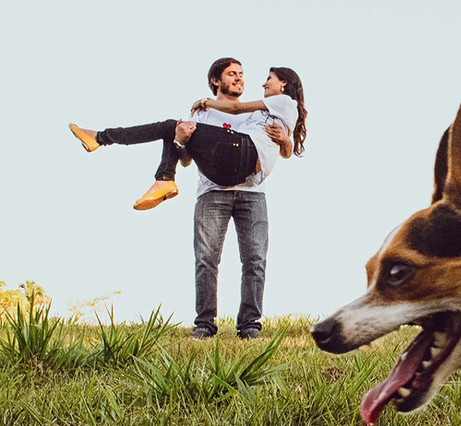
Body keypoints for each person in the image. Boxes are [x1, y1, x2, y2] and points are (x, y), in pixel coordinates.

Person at [69, 58, 308, 339]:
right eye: (232, 74)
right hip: (213, 189)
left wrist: (286, 140)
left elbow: (279, 146)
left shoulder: (257, 109)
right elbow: (185, 159)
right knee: (206, 259)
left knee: (255, 259)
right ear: (216, 80)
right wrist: (180, 139)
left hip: (251, 190)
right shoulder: (201, 115)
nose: (240, 79)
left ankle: (250, 325)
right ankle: (204, 324)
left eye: (241, 74)